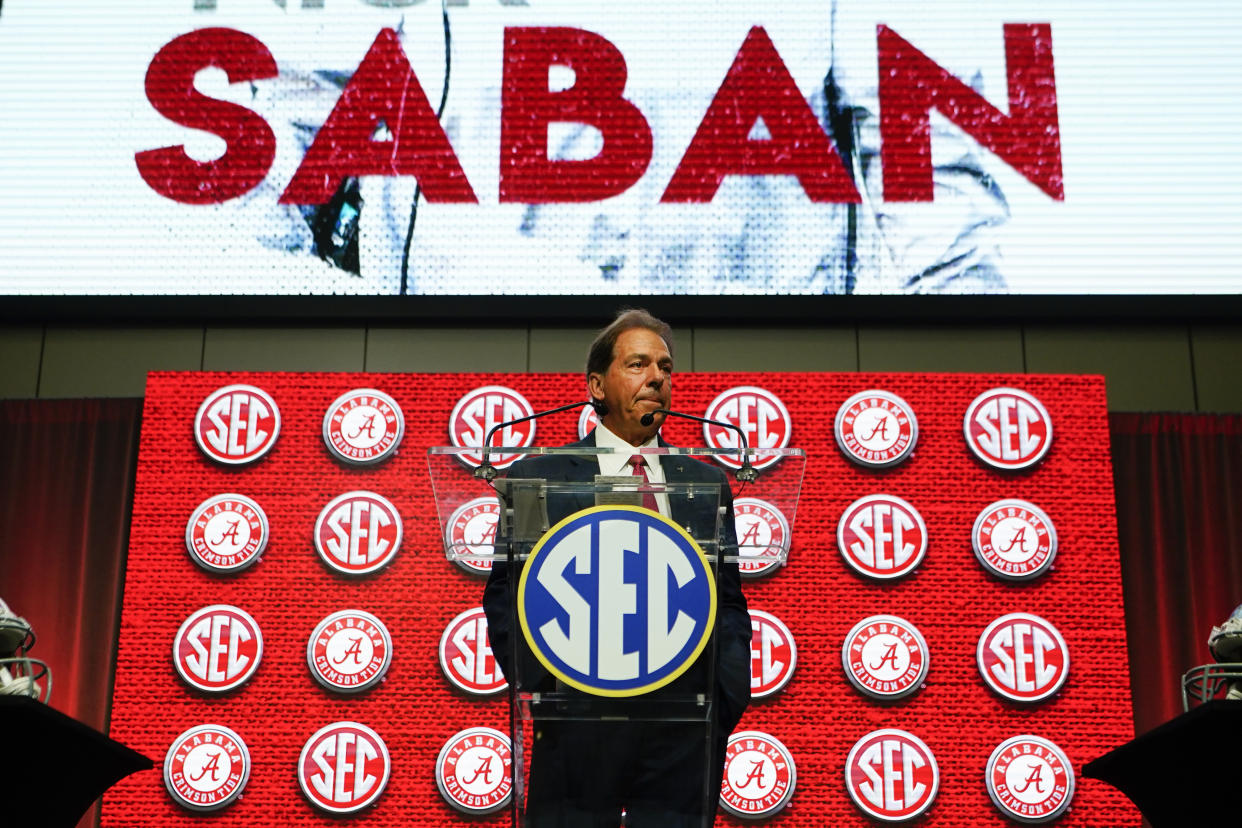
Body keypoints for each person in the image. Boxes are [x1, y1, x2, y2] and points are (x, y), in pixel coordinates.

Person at [482, 309, 752, 827]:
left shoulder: (704, 483)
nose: (656, 377)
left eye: (665, 368)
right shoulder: (541, 477)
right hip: (575, 721)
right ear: (597, 386)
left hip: (685, 724)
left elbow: (730, 601)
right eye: (638, 364)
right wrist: (545, 687)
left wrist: (725, 694)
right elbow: (506, 596)